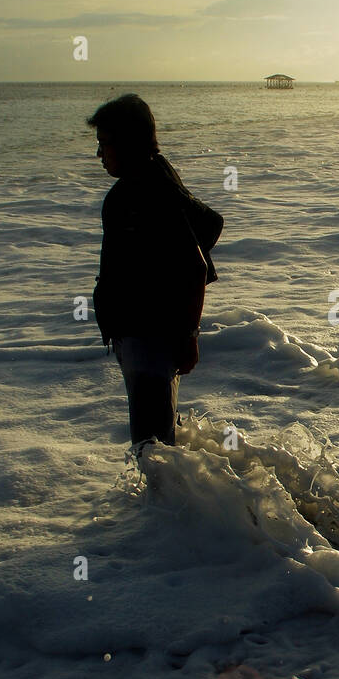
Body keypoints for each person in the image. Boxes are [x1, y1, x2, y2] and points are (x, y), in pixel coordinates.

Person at [88, 94, 219, 454]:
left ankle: (176, 507)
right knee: (160, 446)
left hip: (151, 340)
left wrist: (189, 336)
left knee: (152, 451)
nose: (99, 155)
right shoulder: (157, 175)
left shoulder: (143, 193)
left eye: (104, 144)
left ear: (128, 141)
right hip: (146, 338)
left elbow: (194, 266)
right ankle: (186, 503)